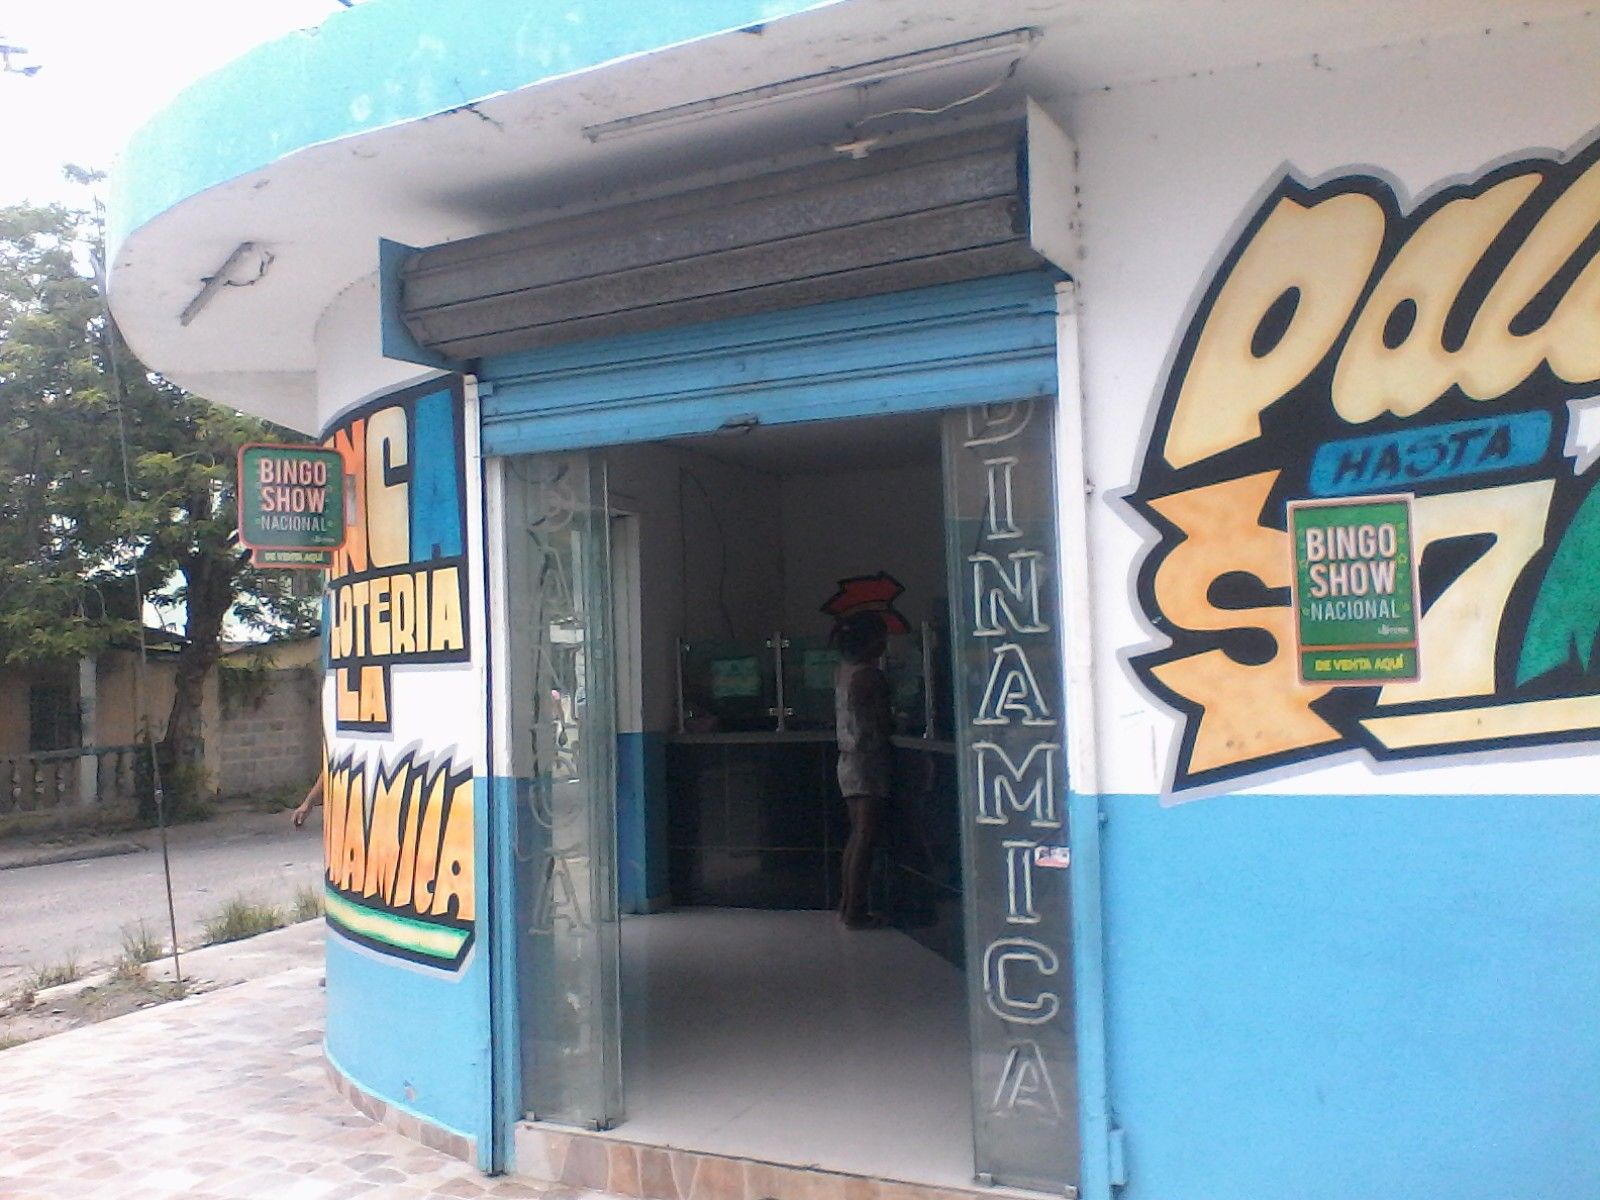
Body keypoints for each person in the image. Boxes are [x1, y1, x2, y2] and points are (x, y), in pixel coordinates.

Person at [833, 611, 894, 930]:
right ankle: (856, 911)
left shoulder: (844, 672)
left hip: (847, 759)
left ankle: (847, 904)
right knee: (865, 836)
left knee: (856, 835)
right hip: (868, 760)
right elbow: (884, 721)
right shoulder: (871, 676)